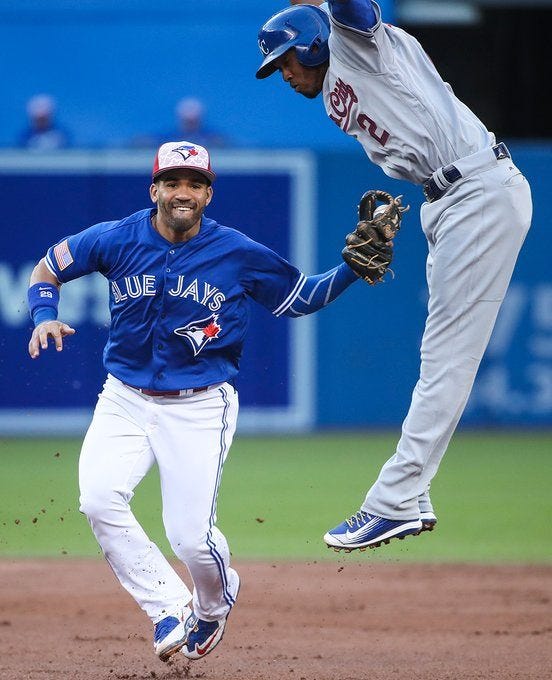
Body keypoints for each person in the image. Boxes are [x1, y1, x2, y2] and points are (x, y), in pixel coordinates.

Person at [26, 140, 361, 661]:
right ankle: (166, 607)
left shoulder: (238, 252)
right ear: (154, 188)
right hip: (125, 398)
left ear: (208, 195)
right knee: (98, 499)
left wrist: (351, 270)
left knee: (190, 539)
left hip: (201, 405)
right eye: (174, 181)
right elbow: (47, 268)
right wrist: (43, 315)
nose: (184, 192)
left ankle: (213, 605)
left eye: (196, 184)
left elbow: (302, 298)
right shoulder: (115, 238)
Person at [255, 1, 532, 551]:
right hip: (447, 199)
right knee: (438, 357)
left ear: (313, 43)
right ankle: (416, 492)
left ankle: (393, 501)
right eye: (276, 69)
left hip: (475, 190)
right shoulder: (338, 77)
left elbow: (347, 8)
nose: (283, 74)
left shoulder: (358, 42)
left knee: (446, 359)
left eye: (286, 61)